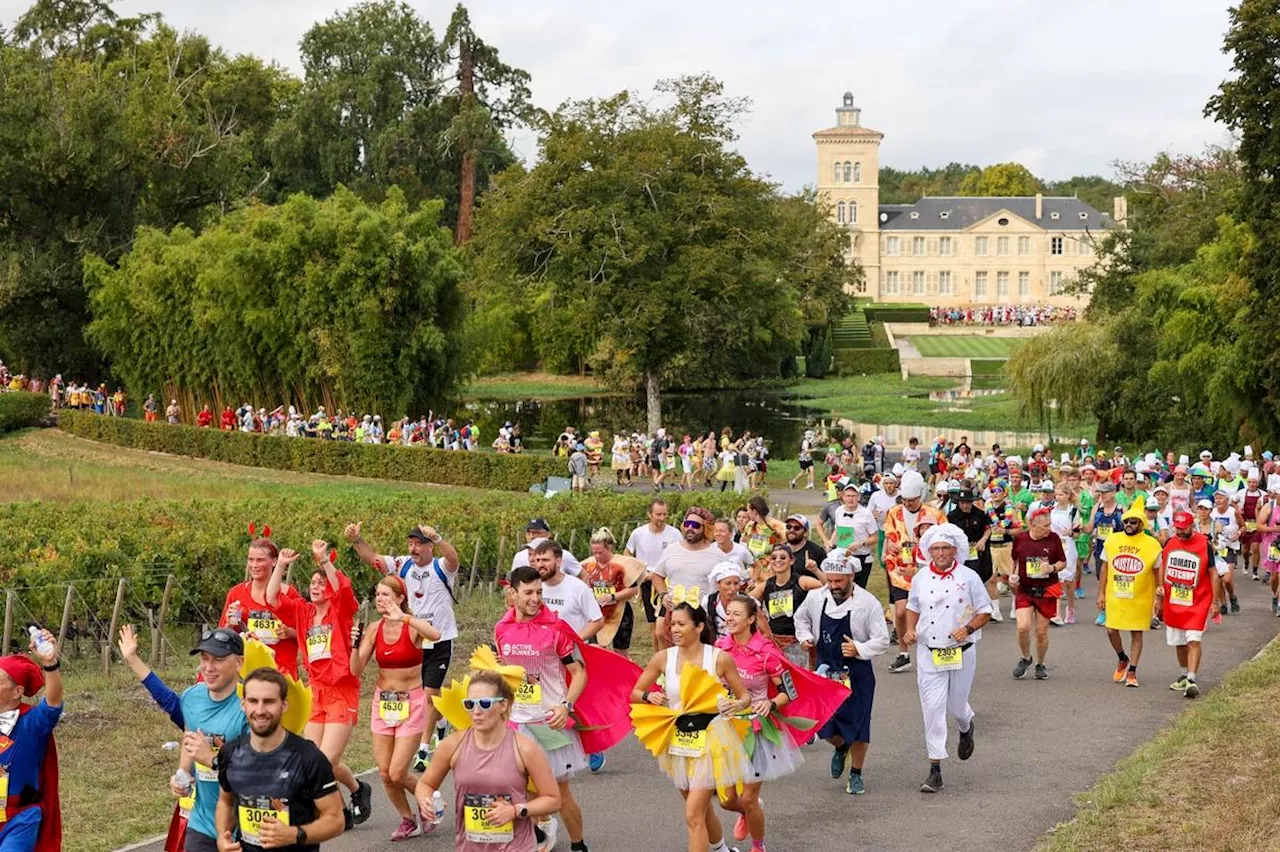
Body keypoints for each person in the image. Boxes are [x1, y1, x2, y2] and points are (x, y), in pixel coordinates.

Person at [717, 596, 838, 848]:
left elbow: (789, 692)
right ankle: (745, 812)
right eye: (728, 612)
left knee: (749, 798)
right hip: (726, 728)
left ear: (752, 619)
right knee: (726, 800)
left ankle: (758, 845)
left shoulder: (766, 653)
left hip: (756, 728)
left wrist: (770, 704)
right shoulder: (719, 648)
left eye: (737, 614)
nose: (730, 618)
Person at [629, 602, 751, 852]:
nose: (674, 629)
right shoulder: (663, 657)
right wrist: (648, 697)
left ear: (699, 627)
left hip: (712, 740)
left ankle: (746, 812)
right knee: (701, 810)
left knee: (693, 814)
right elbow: (636, 691)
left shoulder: (719, 658)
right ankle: (720, 849)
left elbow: (745, 697)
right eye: (672, 623)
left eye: (681, 624)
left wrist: (734, 705)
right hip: (678, 740)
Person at [268, 541, 371, 827]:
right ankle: (352, 797)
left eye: (320, 582)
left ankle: (346, 800)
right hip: (318, 692)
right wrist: (280, 565)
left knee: (323, 763)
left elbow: (343, 589)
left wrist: (324, 560)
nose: (315, 586)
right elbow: (272, 597)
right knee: (312, 760)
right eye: (312, 582)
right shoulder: (303, 613)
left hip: (342, 691)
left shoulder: (340, 611)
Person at [346, 522, 461, 772]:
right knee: (425, 697)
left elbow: (453, 558)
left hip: (438, 638)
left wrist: (439, 537)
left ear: (430, 547)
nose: (413, 548)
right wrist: (357, 540)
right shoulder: (402, 564)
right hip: (409, 639)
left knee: (430, 694)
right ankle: (439, 724)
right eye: (410, 543)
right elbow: (373, 558)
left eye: (418, 544)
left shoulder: (440, 566)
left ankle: (422, 749)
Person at [414, 671, 561, 851]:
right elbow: (425, 784)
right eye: (470, 704)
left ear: (503, 705)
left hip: (516, 847)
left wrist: (515, 811)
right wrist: (426, 801)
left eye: (484, 704)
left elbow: (553, 800)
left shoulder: (525, 749)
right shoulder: (452, 745)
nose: (476, 712)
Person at [350, 575, 442, 840]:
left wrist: (404, 617)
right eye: (377, 595)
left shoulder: (411, 626)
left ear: (400, 598)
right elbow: (356, 670)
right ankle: (408, 819)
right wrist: (354, 645)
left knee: (398, 771)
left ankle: (431, 801)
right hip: (383, 702)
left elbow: (434, 634)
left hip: (411, 702)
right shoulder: (374, 629)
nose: (380, 599)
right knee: (385, 773)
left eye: (386, 595)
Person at [903, 523, 993, 793]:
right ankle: (935, 769)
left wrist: (967, 629)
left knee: (956, 707)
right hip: (929, 652)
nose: (941, 553)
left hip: (961, 651)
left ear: (954, 550)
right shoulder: (920, 578)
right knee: (932, 709)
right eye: (936, 549)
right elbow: (912, 607)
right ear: (929, 552)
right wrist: (909, 630)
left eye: (945, 548)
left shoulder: (968, 577)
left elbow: (985, 611)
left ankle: (966, 726)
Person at [214, 669, 345, 852]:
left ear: (284, 705)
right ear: (243, 704)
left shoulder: (309, 757)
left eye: (269, 702)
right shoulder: (229, 753)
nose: (260, 710)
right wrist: (222, 835)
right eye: (253, 701)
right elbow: (225, 802)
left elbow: (336, 820)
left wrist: (294, 834)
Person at [794, 551, 890, 796]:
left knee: (859, 724)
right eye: (830, 580)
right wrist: (805, 637)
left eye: (839, 581)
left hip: (857, 671)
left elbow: (882, 640)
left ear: (851, 576)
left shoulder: (867, 603)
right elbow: (800, 618)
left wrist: (859, 648)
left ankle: (856, 773)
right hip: (826, 668)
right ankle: (840, 747)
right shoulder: (817, 598)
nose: (834, 586)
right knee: (823, 724)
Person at [176, 628, 250, 852]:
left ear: (239, 662)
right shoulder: (191, 697)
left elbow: (257, 773)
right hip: (203, 823)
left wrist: (212, 760)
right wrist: (183, 773)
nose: (208, 667)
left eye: (218, 660)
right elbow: (190, 737)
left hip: (247, 826)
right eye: (204, 659)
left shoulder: (252, 706)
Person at [0, 630, 63, 852]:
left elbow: (54, 702)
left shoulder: (32, 722)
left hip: (20, 818)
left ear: (17, 691)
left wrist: (50, 663)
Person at [883, 471, 947, 673]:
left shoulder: (934, 514)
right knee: (901, 611)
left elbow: (946, 538)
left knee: (931, 612)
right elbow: (888, 536)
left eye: (912, 500)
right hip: (900, 570)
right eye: (905, 500)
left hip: (926, 570)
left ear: (920, 496)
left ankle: (936, 649)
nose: (908, 504)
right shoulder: (893, 512)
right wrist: (889, 546)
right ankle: (904, 653)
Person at [1097, 501, 1162, 687]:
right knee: (1110, 629)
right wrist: (1101, 593)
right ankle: (1122, 658)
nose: (1129, 525)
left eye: (1133, 522)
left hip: (1140, 596)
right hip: (1115, 594)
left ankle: (1132, 671)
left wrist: (1158, 597)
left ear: (1141, 523)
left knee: (1136, 633)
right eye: (1126, 522)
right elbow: (1105, 567)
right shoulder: (1113, 540)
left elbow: (1158, 572)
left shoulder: (1152, 544)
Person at [221, 535, 305, 679]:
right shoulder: (236, 593)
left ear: (274, 562)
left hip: (282, 671)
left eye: (260, 560)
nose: (254, 565)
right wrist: (229, 624)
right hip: (248, 671)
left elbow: (306, 632)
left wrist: (289, 632)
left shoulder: (289, 594)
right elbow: (222, 636)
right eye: (250, 559)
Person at [1158, 511, 1222, 699]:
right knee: (1178, 642)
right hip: (1175, 600)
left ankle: (1192, 680)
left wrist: (1214, 601)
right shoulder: (1171, 542)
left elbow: (1213, 573)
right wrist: (1160, 586)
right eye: (1177, 528)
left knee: (1193, 640)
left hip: (1198, 601)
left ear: (1191, 526)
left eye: (1183, 528)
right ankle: (1185, 674)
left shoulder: (1203, 543)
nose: (1179, 531)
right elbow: (1163, 563)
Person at [650, 507, 725, 647]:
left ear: (706, 528)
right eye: (687, 524)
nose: (690, 528)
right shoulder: (671, 550)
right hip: (674, 614)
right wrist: (663, 594)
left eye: (695, 525)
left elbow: (727, 582)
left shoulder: (717, 555)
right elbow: (657, 576)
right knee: (674, 658)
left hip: (702, 617)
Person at [1008, 507, 1067, 680]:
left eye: (1050, 525)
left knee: (1041, 632)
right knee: (1022, 627)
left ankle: (1040, 664)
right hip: (1025, 590)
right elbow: (1015, 559)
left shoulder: (1053, 539)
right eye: (1045, 526)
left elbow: (1063, 562)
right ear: (1032, 525)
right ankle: (1026, 658)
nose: (1049, 529)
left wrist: (1052, 568)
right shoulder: (1020, 539)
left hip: (1046, 589)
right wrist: (1013, 575)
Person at [751, 544, 823, 667]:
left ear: (791, 560)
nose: (777, 560)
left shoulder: (801, 581)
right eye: (774, 558)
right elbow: (745, 601)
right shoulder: (766, 585)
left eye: (782, 558)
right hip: (774, 641)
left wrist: (815, 570)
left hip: (799, 641)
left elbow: (829, 588)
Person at [625, 499, 683, 652]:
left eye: (665, 514)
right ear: (649, 514)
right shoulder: (638, 534)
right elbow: (627, 554)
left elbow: (679, 556)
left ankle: (667, 658)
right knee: (653, 629)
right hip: (646, 582)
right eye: (658, 514)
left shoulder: (674, 534)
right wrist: (638, 573)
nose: (662, 518)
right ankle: (658, 660)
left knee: (663, 629)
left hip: (666, 583)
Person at [579, 528, 644, 653]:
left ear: (609, 548)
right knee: (595, 650)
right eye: (595, 552)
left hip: (620, 612)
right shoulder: (587, 565)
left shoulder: (623, 564)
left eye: (601, 552)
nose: (597, 556)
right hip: (595, 613)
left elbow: (633, 589)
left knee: (621, 652)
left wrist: (612, 597)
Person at [530, 539, 604, 641]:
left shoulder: (578, 587)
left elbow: (597, 621)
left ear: (558, 561)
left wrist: (573, 641)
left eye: (545, 560)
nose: (540, 565)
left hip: (573, 654)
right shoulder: (532, 587)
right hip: (542, 651)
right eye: (538, 560)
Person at [983, 482, 1023, 622]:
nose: (995, 493)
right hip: (992, 548)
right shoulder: (986, 508)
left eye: (998, 490)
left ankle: (1015, 606)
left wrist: (1005, 530)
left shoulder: (1010, 509)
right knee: (992, 579)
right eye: (992, 490)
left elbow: (1019, 530)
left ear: (1005, 492)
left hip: (1007, 546)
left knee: (1012, 580)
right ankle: (996, 611)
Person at [826, 482, 878, 588]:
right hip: (844, 556)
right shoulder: (839, 511)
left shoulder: (866, 513)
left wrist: (861, 543)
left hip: (862, 557)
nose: (851, 499)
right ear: (843, 497)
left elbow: (875, 537)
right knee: (843, 587)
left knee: (858, 589)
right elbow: (837, 529)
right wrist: (830, 542)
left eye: (853, 496)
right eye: (848, 496)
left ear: (858, 498)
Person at [1210, 489, 1243, 614]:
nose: (1218, 500)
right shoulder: (1211, 513)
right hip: (1216, 549)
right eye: (1216, 498)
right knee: (1217, 578)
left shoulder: (1233, 512)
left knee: (1227, 579)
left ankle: (1232, 596)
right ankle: (1223, 603)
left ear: (1227, 500)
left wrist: (1238, 533)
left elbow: (1243, 526)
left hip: (1229, 548)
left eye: (1221, 498)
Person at [740, 496, 787, 586]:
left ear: (754, 511)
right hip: (753, 573)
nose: (747, 512)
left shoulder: (777, 527)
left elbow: (784, 547)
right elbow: (744, 543)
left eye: (748, 510)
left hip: (771, 572)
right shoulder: (750, 526)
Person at [512, 519, 582, 576]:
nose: (531, 537)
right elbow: (512, 581)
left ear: (548, 534)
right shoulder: (519, 556)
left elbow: (583, 575)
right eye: (528, 533)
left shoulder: (563, 555)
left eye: (536, 533)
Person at [705, 562, 747, 638]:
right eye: (728, 583)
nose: (733, 588)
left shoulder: (747, 602)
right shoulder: (708, 601)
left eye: (736, 583)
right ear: (718, 584)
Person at [781, 513, 828, 582]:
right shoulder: (779, 550)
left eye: (796, 528)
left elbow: (829, 581)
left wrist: (815, 570)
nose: (791, 530)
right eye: (788, 527)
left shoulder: (817, 552)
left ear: (805, 532)